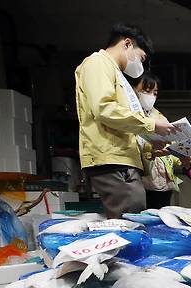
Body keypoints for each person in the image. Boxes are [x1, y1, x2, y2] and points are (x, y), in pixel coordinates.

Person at [75, 23, 177, 218]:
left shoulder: (116, 73)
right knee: (128, 221)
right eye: (141, 58)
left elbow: (122, 127)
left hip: (121, 159)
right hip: (112, 159)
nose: (140, 65)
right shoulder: (97, 63)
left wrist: (149, 149)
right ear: (127, 44)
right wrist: (152, 125)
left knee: (133, 216)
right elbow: (104, 109)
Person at [132, 72, 190, 209]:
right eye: (147, 91)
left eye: (155, 93)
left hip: (164, 183)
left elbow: (170, 149)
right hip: (142, 182)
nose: (151, 96)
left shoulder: (160, 117)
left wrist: (181, 158)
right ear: (133, 90)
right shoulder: (131, 117)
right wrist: (151, 152)